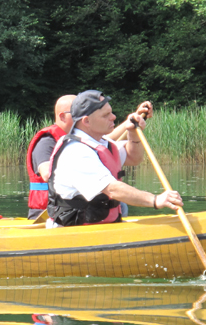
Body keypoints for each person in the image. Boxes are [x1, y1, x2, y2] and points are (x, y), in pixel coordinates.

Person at [46, 90, 181, 227]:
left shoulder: (101, 142)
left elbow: (134, 158)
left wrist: (133, 134)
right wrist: (155, 200)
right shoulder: (75, 151)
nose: (114, 117)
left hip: (99, 225)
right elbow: (112, 189)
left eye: (111, 112)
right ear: (86, 121)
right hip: (72, 230)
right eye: (106, 115)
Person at [26, 95, 155, 220]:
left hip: (94, 210)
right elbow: (48, 174)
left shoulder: (89, 142)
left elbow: (105, 143)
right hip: (51, 212)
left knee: (121, 204)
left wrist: (131, 124)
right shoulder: (47, 142)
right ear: (62, 117)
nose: (80, 113)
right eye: (75, 111)